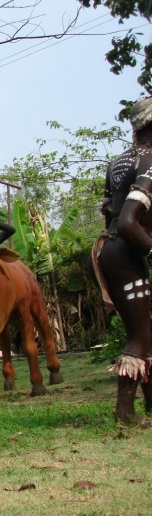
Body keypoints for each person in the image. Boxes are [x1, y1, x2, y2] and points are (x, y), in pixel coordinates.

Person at [93, 96, 152, 424]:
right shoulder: (151, 162)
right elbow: (129, 222)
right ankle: (125, 413)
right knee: (139, 337)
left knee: (145, 331)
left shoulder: (119, 162)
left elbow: (108, 213)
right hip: (127, 250)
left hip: (110, 250)